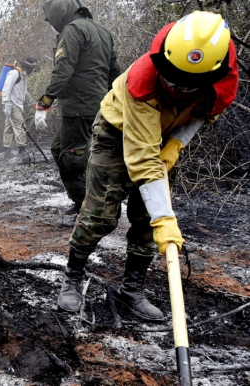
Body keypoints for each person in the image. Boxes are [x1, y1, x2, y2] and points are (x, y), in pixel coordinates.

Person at [56, 11, 238, 321]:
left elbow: (201, 117)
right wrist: (166, 217)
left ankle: (132, 290)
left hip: (164, 136)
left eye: (183, 85)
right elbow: (141, 158)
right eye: (168, 77)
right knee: (100, 214)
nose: (172, 87)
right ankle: (72, 276)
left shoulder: (221, 86)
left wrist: (175, 145)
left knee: (146, 220)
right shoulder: (141, 80)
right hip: (116, 131)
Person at [35, 0, 120, 218]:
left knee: (71, 159)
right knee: (60, 149)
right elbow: (115, 74)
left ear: (60, 13)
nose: (51, 25)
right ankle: (81, 201)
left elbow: (63, 71)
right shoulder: (103, 31)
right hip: (96, 106)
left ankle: (88, 211)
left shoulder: (72, 30)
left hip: (79, 107)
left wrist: (45, 101)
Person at [1, 58, 38, 158]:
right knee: (20, 125)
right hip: (12, 103)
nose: (32, 72)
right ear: (26, 67)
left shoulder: (22, 76)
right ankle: (22, 149)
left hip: (16, 104)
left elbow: (24, 91)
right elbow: (6, 89)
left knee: (8, 127)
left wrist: (32, 101)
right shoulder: (14, 74)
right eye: (31, 69)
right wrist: (7, 104)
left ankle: (7, 150)